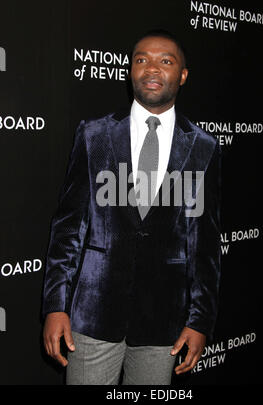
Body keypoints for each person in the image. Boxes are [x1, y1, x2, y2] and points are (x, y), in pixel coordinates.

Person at [42, 29, 221, 385]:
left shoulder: (203, 147)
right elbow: (68, 229)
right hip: (92, 318)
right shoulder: (94, 135)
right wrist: (55, 305)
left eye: (165, 61)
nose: (152, 68)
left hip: (164, 323)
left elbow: (205, 244)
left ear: (182, 75)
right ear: (130, 71)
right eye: (142, 60)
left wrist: (200, 320)